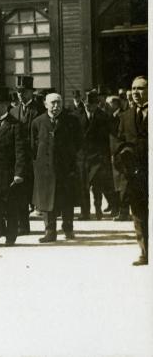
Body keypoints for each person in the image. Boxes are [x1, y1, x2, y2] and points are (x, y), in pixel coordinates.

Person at [32, 93, 82, 243]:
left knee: (66, 199)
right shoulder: (37, 122)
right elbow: (33, 145)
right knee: (47, 201)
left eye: (59, 103)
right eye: (53, 103)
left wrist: (72, 162)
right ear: (45, 104)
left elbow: (79, 142)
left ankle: (68, 228)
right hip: (45, 169)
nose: (56, 106)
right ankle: (50, 231)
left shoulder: (71, 121)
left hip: (65, 168)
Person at [0, 87, 28, 246]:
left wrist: (19, 173)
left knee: (10, 206)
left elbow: (21, 151)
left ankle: (11, 235)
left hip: (8, 174)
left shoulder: (15, 125)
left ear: (5, 105)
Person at [115, 76, 148, 266]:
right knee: (138, 214)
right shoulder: (125, 116)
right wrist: (123, 163)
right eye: (133, 89)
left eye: (141, 89)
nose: (136, 92)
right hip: (134, 174)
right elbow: (118, 143)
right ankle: (145, 252)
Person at [9, 75, 45, 235]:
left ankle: (49, 228)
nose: (21, 95)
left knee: (40, 191)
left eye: (24, 91)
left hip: (35, 156)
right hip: (19, 157)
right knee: (20, 192)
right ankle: (23, 226)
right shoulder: (13, 111)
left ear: (31, 92)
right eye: (18, 92)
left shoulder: (40, 110)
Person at [75, 90, 116, 220]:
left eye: (91, 104)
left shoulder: (104, 117)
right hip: (82, 157)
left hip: (98, 156)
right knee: (82, 185)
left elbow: (107, 137)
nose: (88, 107)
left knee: (97, 185)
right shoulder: (77, 116)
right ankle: (85, 212)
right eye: (86, 104)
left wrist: (106, 156)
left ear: (97, 104)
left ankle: (98, 209)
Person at [106, 95, 130, 221]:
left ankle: (124, 212)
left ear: (115, 104)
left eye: (109, 103)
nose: (106, 106)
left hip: (121, 153)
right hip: (112, 153)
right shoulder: (110, 117)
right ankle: (118, 209)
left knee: (123, 183)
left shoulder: (123, 116)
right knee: (116, 184)